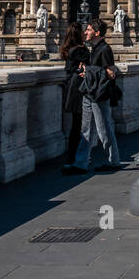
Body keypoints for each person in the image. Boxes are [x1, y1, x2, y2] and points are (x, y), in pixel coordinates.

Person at [66, 19, 121, 174]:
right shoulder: (94, 48)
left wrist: (89, 71)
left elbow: (111, 73)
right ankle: (81, 163)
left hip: (99, 95)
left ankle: (112, 160)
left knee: (104, 128)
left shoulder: (104, 49)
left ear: (97, 33)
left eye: (89, 30)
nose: (85, 32)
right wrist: (87, 70)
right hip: (89, 92)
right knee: (86, 129)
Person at [58, 22, 89, 171]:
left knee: (77, 125)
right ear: (78, 34)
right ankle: (75, 160)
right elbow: (91, 66)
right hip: (80, 90)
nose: (85, 33)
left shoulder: (68, 50)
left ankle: (72, 158)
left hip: (72, 89)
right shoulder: (80, 51)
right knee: (80, 126)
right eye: (83, 31)